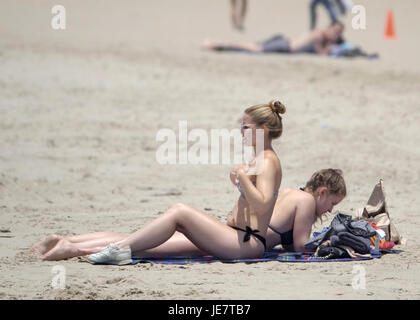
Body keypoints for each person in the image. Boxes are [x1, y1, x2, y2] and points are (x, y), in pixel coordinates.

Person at [30, 100, 286, 264]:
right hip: (230, 235)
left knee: (179, 212)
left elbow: (263, 206)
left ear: (261, 130)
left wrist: (241, 178)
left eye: (245, 127)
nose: (240, 131)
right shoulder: (258, 158)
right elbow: (254, 201)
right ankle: (70, 244)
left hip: (244, 244)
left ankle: (115, 249)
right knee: (145, 243)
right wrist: (239, 181)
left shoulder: (268, 160)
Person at [30, 167, 346, 262]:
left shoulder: (292, 192)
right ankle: (74, 247)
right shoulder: (306, 202)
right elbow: (301, 247)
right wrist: (336, 246)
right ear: (322, 192)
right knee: (147, 243)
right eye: (332, 201)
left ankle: (71, 241)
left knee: (149, 246)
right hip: (233, 240)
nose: (331, 209)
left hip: (226, 233)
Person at [201, 21, 345, 56]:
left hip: (284, 43)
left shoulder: (319, 34)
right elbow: (322, 54)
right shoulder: (318, 35)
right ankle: (215, 44)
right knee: (253, 49)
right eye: (335, 31)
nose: (336, 35)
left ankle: (216, 43)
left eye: (339, 33)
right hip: (285, 46)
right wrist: (332, 45)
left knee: (251, 46)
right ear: (329, 27)